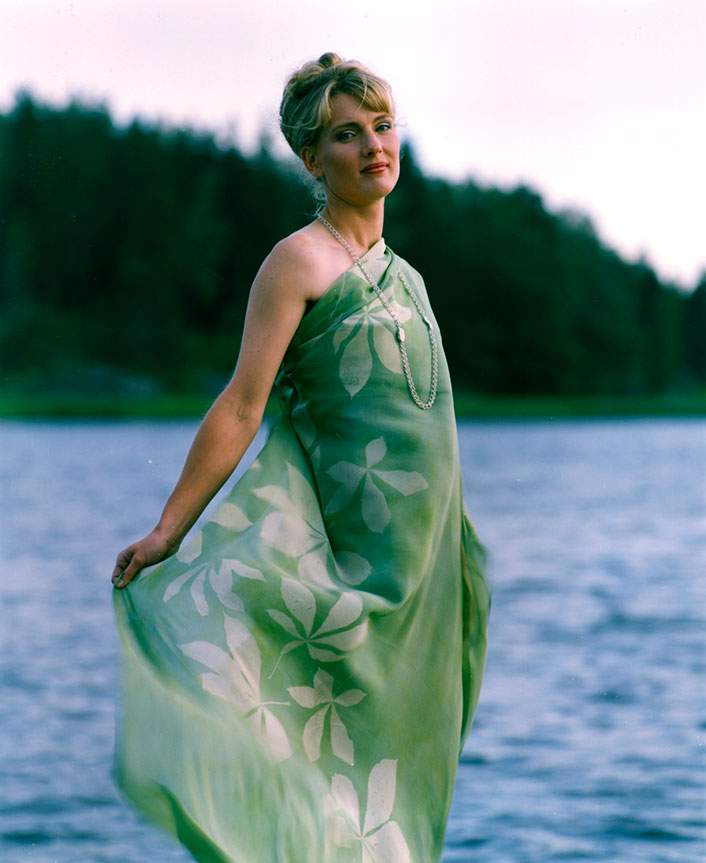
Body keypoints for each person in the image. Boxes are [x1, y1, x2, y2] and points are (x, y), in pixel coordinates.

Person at [111, 52, 489, 863]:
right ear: (313, 161)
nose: (373, 146)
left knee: (401, 769)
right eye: (347, 135)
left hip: (425, 570)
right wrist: (171, 529)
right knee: (322, 746)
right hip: (352, 566)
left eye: (382, 127)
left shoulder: (409, 279)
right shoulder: (298, 261)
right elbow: (244, 403)